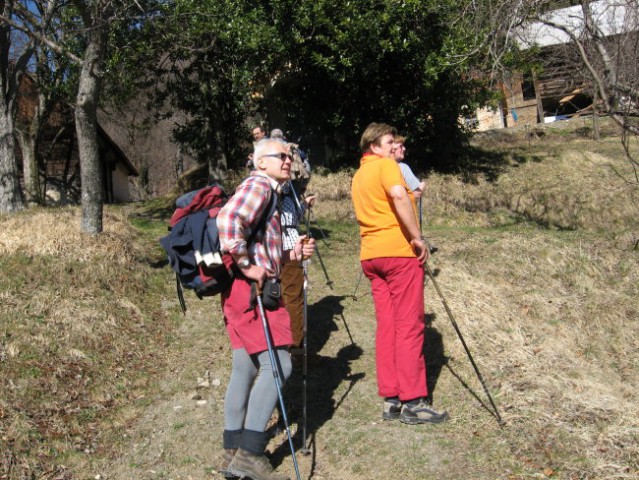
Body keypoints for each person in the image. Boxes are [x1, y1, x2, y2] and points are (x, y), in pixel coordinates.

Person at [217, 138, 316, 480]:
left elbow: (263, 249)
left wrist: (291, 255)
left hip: (241, 291)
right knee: (279, 364)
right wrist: (246, 265)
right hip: (252, 291)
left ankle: (232, 451)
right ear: (261, 162)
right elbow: (229, 223)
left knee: (244, 368)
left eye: (290, 156)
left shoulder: (271, 192)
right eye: (281, 156)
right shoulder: (259, 185)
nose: (289, 160)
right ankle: (251, 454)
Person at [351, 122, 448, 425]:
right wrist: (417, 236)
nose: (394, 147)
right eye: (389, 141)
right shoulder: (386, 166)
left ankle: (391, 398)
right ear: (375, 146)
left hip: (371, 255)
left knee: (388, 326)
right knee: (409, 325)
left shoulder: (358, 174)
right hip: (397, 253)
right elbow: (399, 196)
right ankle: (413, 400)